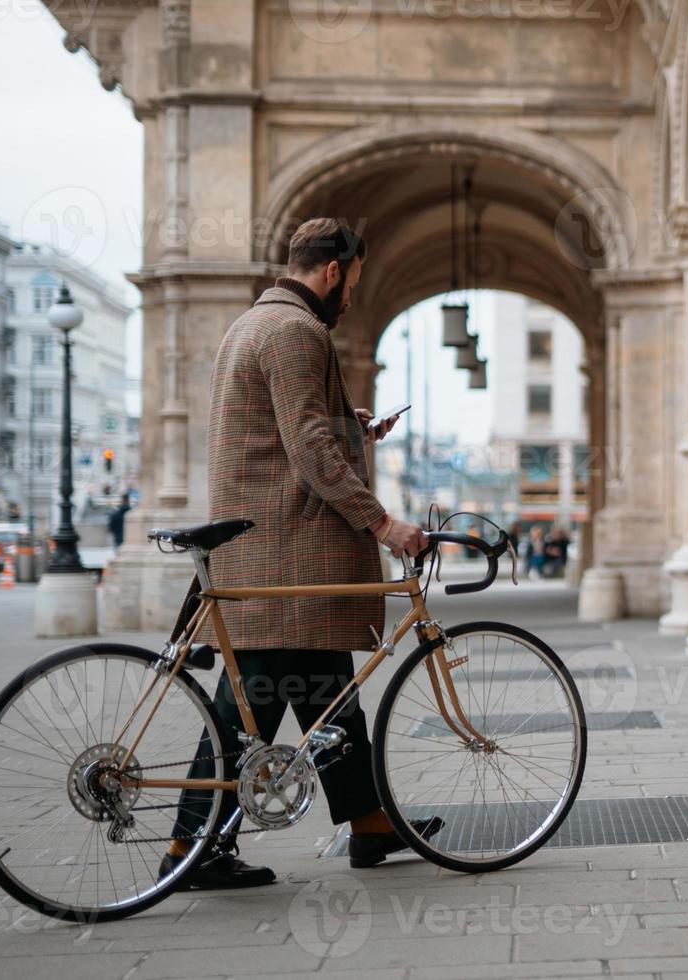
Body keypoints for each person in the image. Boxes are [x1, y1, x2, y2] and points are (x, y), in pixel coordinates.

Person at [163, 218, 436, 890]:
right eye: (355, 282)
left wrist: (357, 426)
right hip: (282, 550)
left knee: (323, 688)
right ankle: (188, 849)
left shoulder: (255, 323)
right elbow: (308, 450)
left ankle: (368, 821)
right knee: (246, 705)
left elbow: (284, 426)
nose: (350, 299)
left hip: (276, 548)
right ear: (336, 270)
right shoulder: (295, 331)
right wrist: (384, 524)